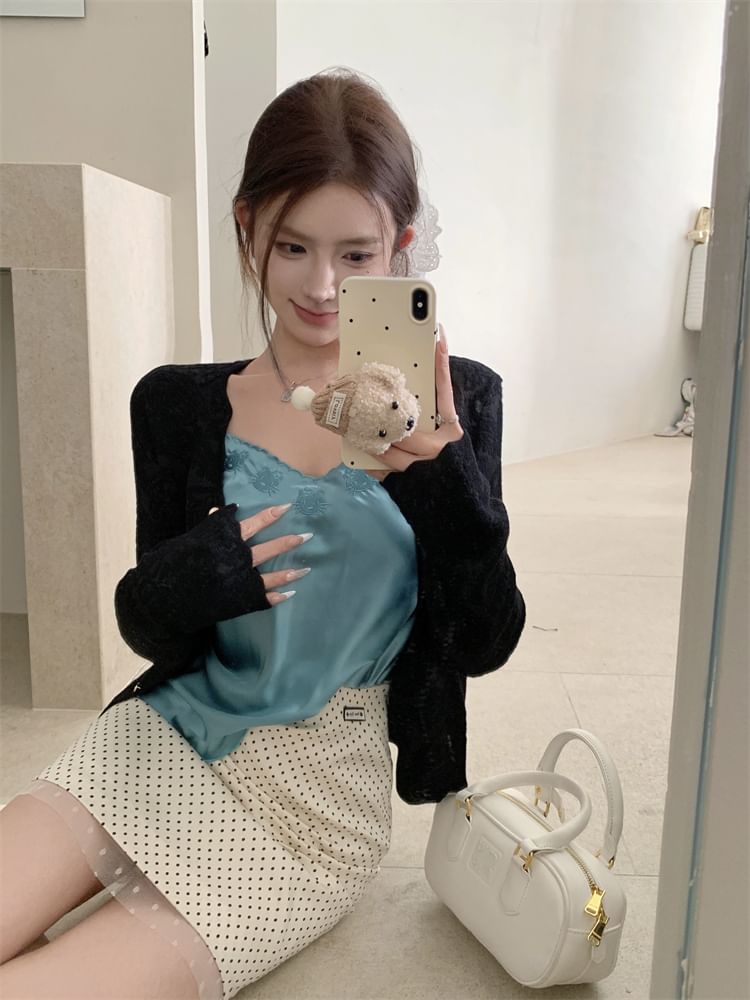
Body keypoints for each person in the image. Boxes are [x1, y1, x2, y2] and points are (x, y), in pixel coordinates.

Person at [0, 67, 525, 1000]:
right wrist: (200, 572)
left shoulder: (457, 401)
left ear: (402, 247)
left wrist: (448, 485)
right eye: (292, 247)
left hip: (309, 810)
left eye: (357, 254)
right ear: (248, 229)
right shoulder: (180, 405)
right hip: (165, 737)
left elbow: (486, 641)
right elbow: (150, 628)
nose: (321, 286)